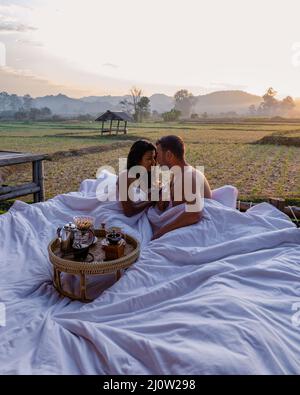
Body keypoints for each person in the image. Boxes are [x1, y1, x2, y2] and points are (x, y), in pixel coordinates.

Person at [152, 135, 212, 239]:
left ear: (169, 155)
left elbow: (194, 213)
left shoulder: (188, 176)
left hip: (201, 228)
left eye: (158, 154)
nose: (156, 159)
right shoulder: (176, 174)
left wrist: (161, 232)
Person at [117, 139, 157, 217]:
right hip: (125, 214)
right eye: (149, 159)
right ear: (137, 160)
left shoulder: (148, 175)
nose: (153, 162)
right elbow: (128, 212)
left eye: (154, 158)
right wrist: (151, 201)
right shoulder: (125, 177)